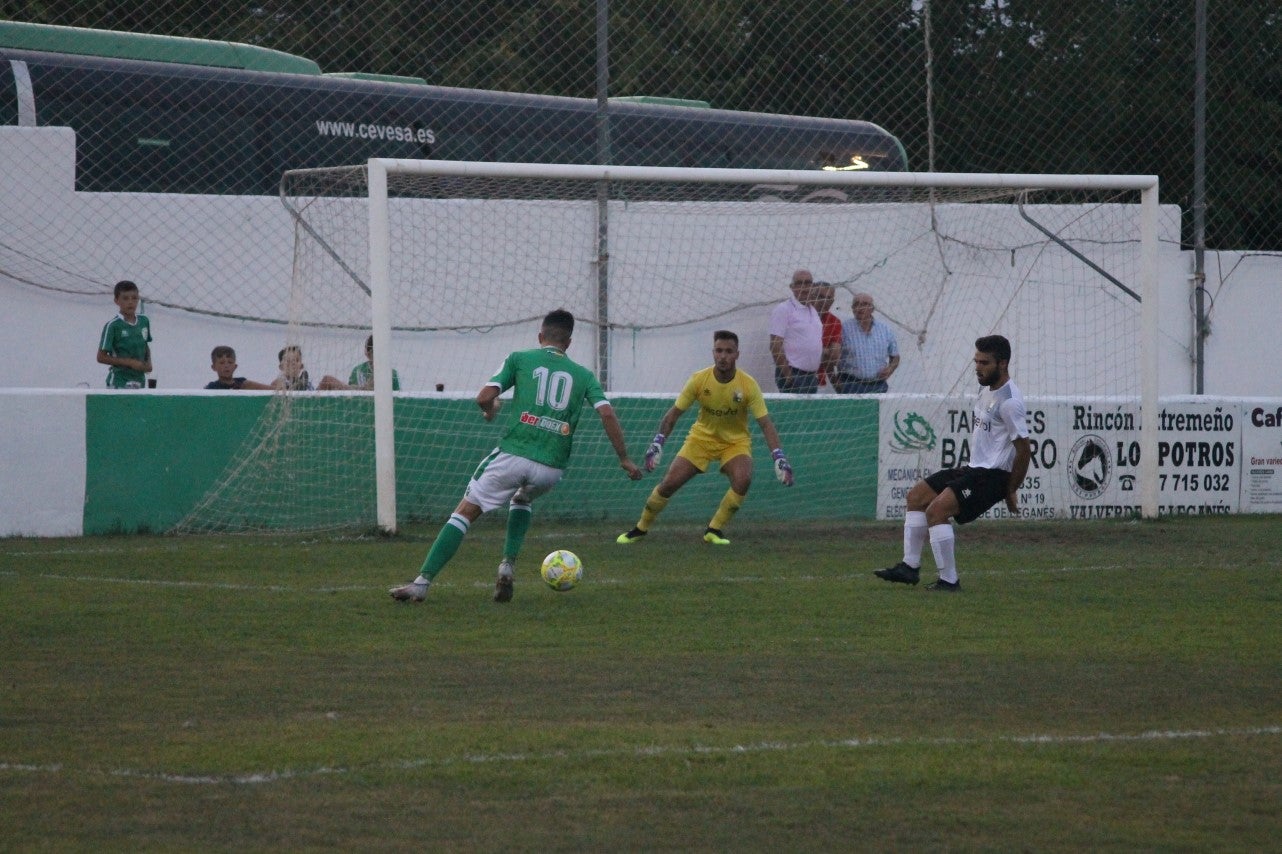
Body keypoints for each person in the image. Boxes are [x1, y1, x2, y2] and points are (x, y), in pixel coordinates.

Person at [390, 309, 642, 604]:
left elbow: (484, 397)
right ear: (569, 343)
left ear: (540, 336)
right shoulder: (584, 375)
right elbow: (607, 414)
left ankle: (422, 583)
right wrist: (624, 458)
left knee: (465, 512)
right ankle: (507, 565)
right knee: (522, 498)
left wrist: (490, 410)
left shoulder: (519, 359)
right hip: (551, 468)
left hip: (514, 455)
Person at [873, 335, 1030, 591]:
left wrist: (1011, 489)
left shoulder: (1010, 402)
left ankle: (949, 581)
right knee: (916, 497)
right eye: (976, 361)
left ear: (1002, 363)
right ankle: (909, 567)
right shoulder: (986, 389)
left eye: (984, 363)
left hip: (992, 475)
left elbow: (1024, 450)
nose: (977, 367)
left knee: (936, 511)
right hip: (974, 468)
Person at [616, 330, 794, 547]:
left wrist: (779, 457)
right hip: (701, 440)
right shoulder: (699, 380)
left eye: (728, 351)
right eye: (719, 351)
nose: (723, 356)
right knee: (668, 484)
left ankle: (714, 529)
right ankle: (640, 528)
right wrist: (658, 442)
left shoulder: (748, 385)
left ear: (737, 355)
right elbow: (673, 415)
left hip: (735, 442)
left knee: (743, 479)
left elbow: (765, 423)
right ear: (713, 352)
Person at [768, 269, 822, 394]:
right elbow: (775, 345)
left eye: (808, 283)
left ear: (813, 286)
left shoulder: (813, 310)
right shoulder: (784, 309)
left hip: (811, 376)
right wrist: (788, 376)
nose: (804, 287)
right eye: (799, 283)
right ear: (792, 287)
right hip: (793, 375)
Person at [835, 292, 900, 394]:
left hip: (878, 385)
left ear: (872, 309)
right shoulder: (843, 329)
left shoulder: (885, 329)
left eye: (864, 304)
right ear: (852, 308)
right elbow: (833, 356)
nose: (860, 308)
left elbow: (895, 356)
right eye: (856, 304)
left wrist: (890, 369)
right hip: (850, 384)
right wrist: (835, 381)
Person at [97, 280, 153, 389]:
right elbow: (101, 357)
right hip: (119, 381)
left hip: (139, 380)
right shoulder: (113, 325)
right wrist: (129, 362)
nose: (130, 302)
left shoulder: (144, 320)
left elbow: (145, 344)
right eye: (125, 298)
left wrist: (149, 364)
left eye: (134, 298)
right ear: (116, 301)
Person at [320, 335, 401, 390]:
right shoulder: (358, 370)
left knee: (327, 379)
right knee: (327, 380)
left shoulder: (391, 373)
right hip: (359, 405)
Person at [813, 282, 843, 390]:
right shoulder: (798, 317)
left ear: (832, 301)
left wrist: (816, 350)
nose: (824, 301)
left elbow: (834, 356)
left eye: (828, 298)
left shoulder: (834, 321)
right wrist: (824, 350)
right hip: (796, 376)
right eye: (820, 296)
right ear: (811, 297)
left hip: (821, 380)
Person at [205, 345, 273, 390]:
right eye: (222, 363)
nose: (226, 366)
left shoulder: (243, 384)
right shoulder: (211, 388)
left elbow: (272, 390)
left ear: (235, 366)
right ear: (213, 367)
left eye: (230, 362)